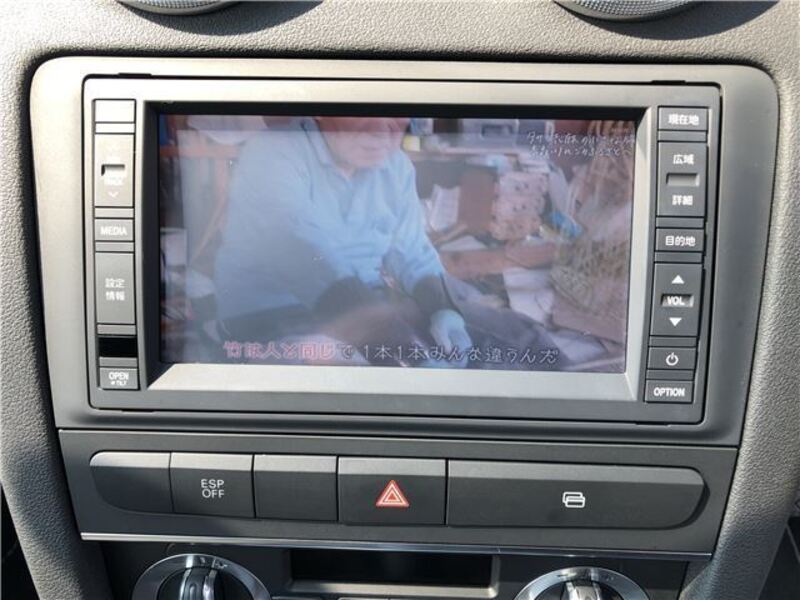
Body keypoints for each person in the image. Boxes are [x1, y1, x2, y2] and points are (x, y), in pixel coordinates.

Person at [214, 116, 472, 366]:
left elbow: (413, 252)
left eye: (396, 112)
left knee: (480, 336)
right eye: (364, 110)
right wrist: (402, 345)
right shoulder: (273, 151)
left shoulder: (396, 166)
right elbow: (304, 256)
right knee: (353, 374)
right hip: (274, 315)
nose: (381, 130)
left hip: (368, 307)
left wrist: (443, 309)